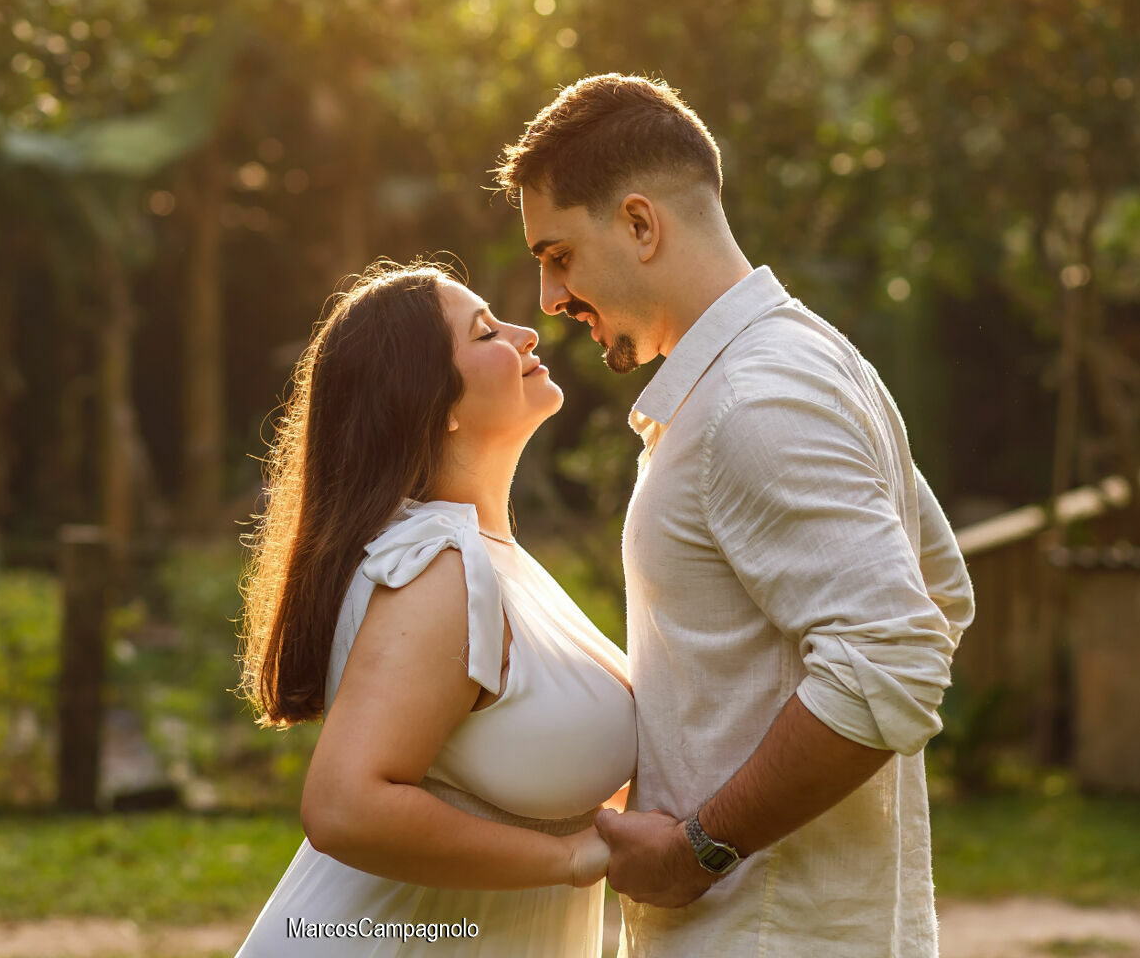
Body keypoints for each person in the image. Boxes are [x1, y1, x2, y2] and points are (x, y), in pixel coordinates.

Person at [495, 73, 976, 957]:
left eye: (557, 255)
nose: (547, 300)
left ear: (640, 224)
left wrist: (699, 850)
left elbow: (896, 650)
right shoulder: (802, 364)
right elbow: (939, 599)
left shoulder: (755, 401)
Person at [234, 260, 637, 956]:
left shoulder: (486, 556)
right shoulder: (435, 564)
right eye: (485, 334)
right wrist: (574, 859)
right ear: (432, 401)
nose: (525, 335)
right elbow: (344, 807)